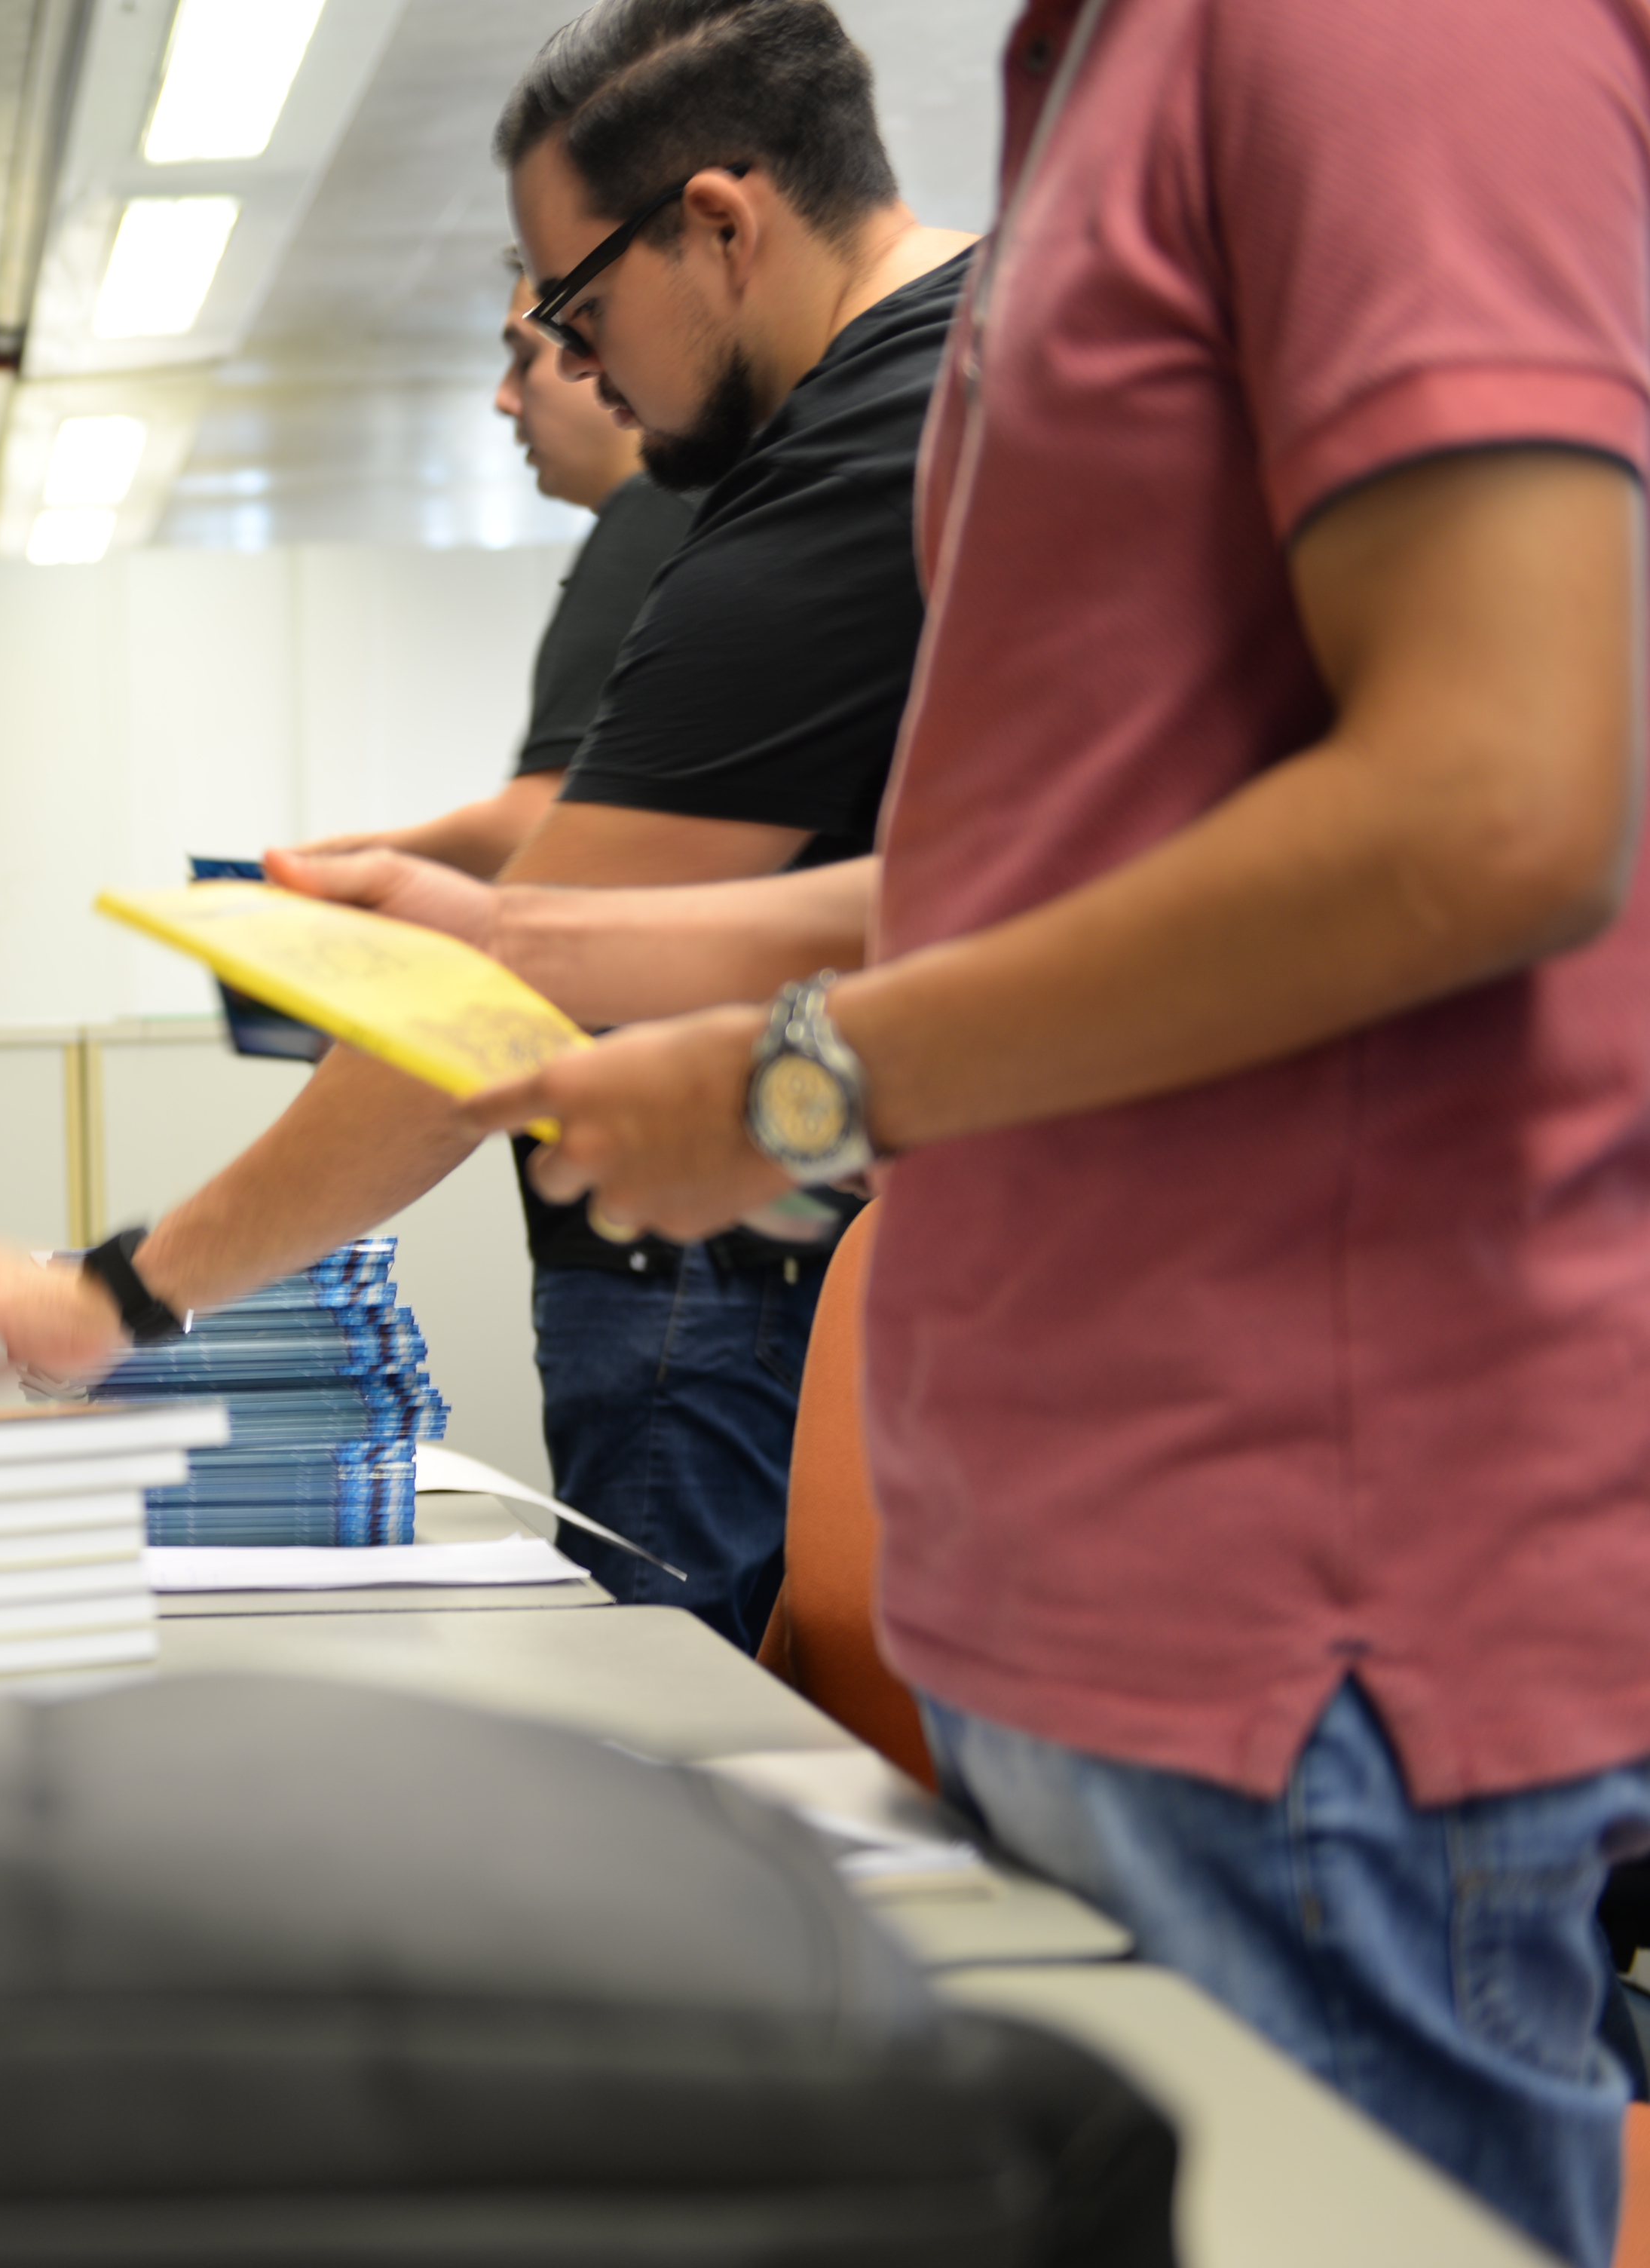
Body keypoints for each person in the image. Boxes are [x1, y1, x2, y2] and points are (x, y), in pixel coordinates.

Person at [426, 0, 1650, 2256]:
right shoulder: (1100, 74)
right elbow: (1076, 842)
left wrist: (796, 1084)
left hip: (1292, 1609)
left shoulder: (1369, 36)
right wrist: (560, 947)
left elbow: (1491, 802)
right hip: (1087, 1593)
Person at [0, 0, 972, 1650]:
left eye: (577, 308)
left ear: (720, 225)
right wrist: (517, 932)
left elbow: (478, 1030)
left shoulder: (846, 467)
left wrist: (112, 1290)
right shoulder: (998, 362)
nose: (572, 367)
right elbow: (993, 891)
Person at [308, 264, 690, 880]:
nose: (504, 399)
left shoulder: (656, 509)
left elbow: (541, 824)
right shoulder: (736, 504)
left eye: (526, 358)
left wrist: (335, 869)